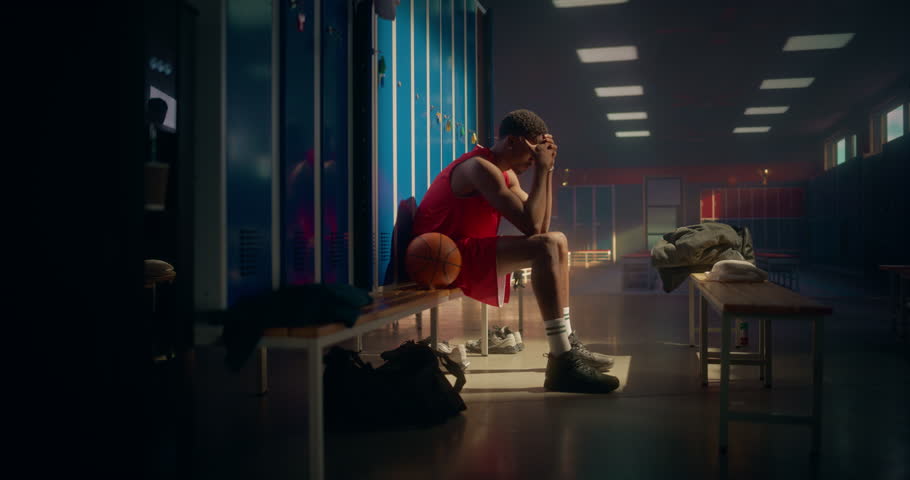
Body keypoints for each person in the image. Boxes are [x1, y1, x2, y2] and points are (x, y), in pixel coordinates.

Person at [412, 109, 619, 393]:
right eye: (532, 154)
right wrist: (543, 170)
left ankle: (566, 344)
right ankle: (562, 362)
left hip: (460, 254)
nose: (533, 161)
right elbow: (533, 227)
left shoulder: (504, 173)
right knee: (547, 244)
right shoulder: (479, 167)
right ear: (512, 141)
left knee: (557, 241)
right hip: (441, 260)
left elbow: (540, 225)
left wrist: (548, 170)